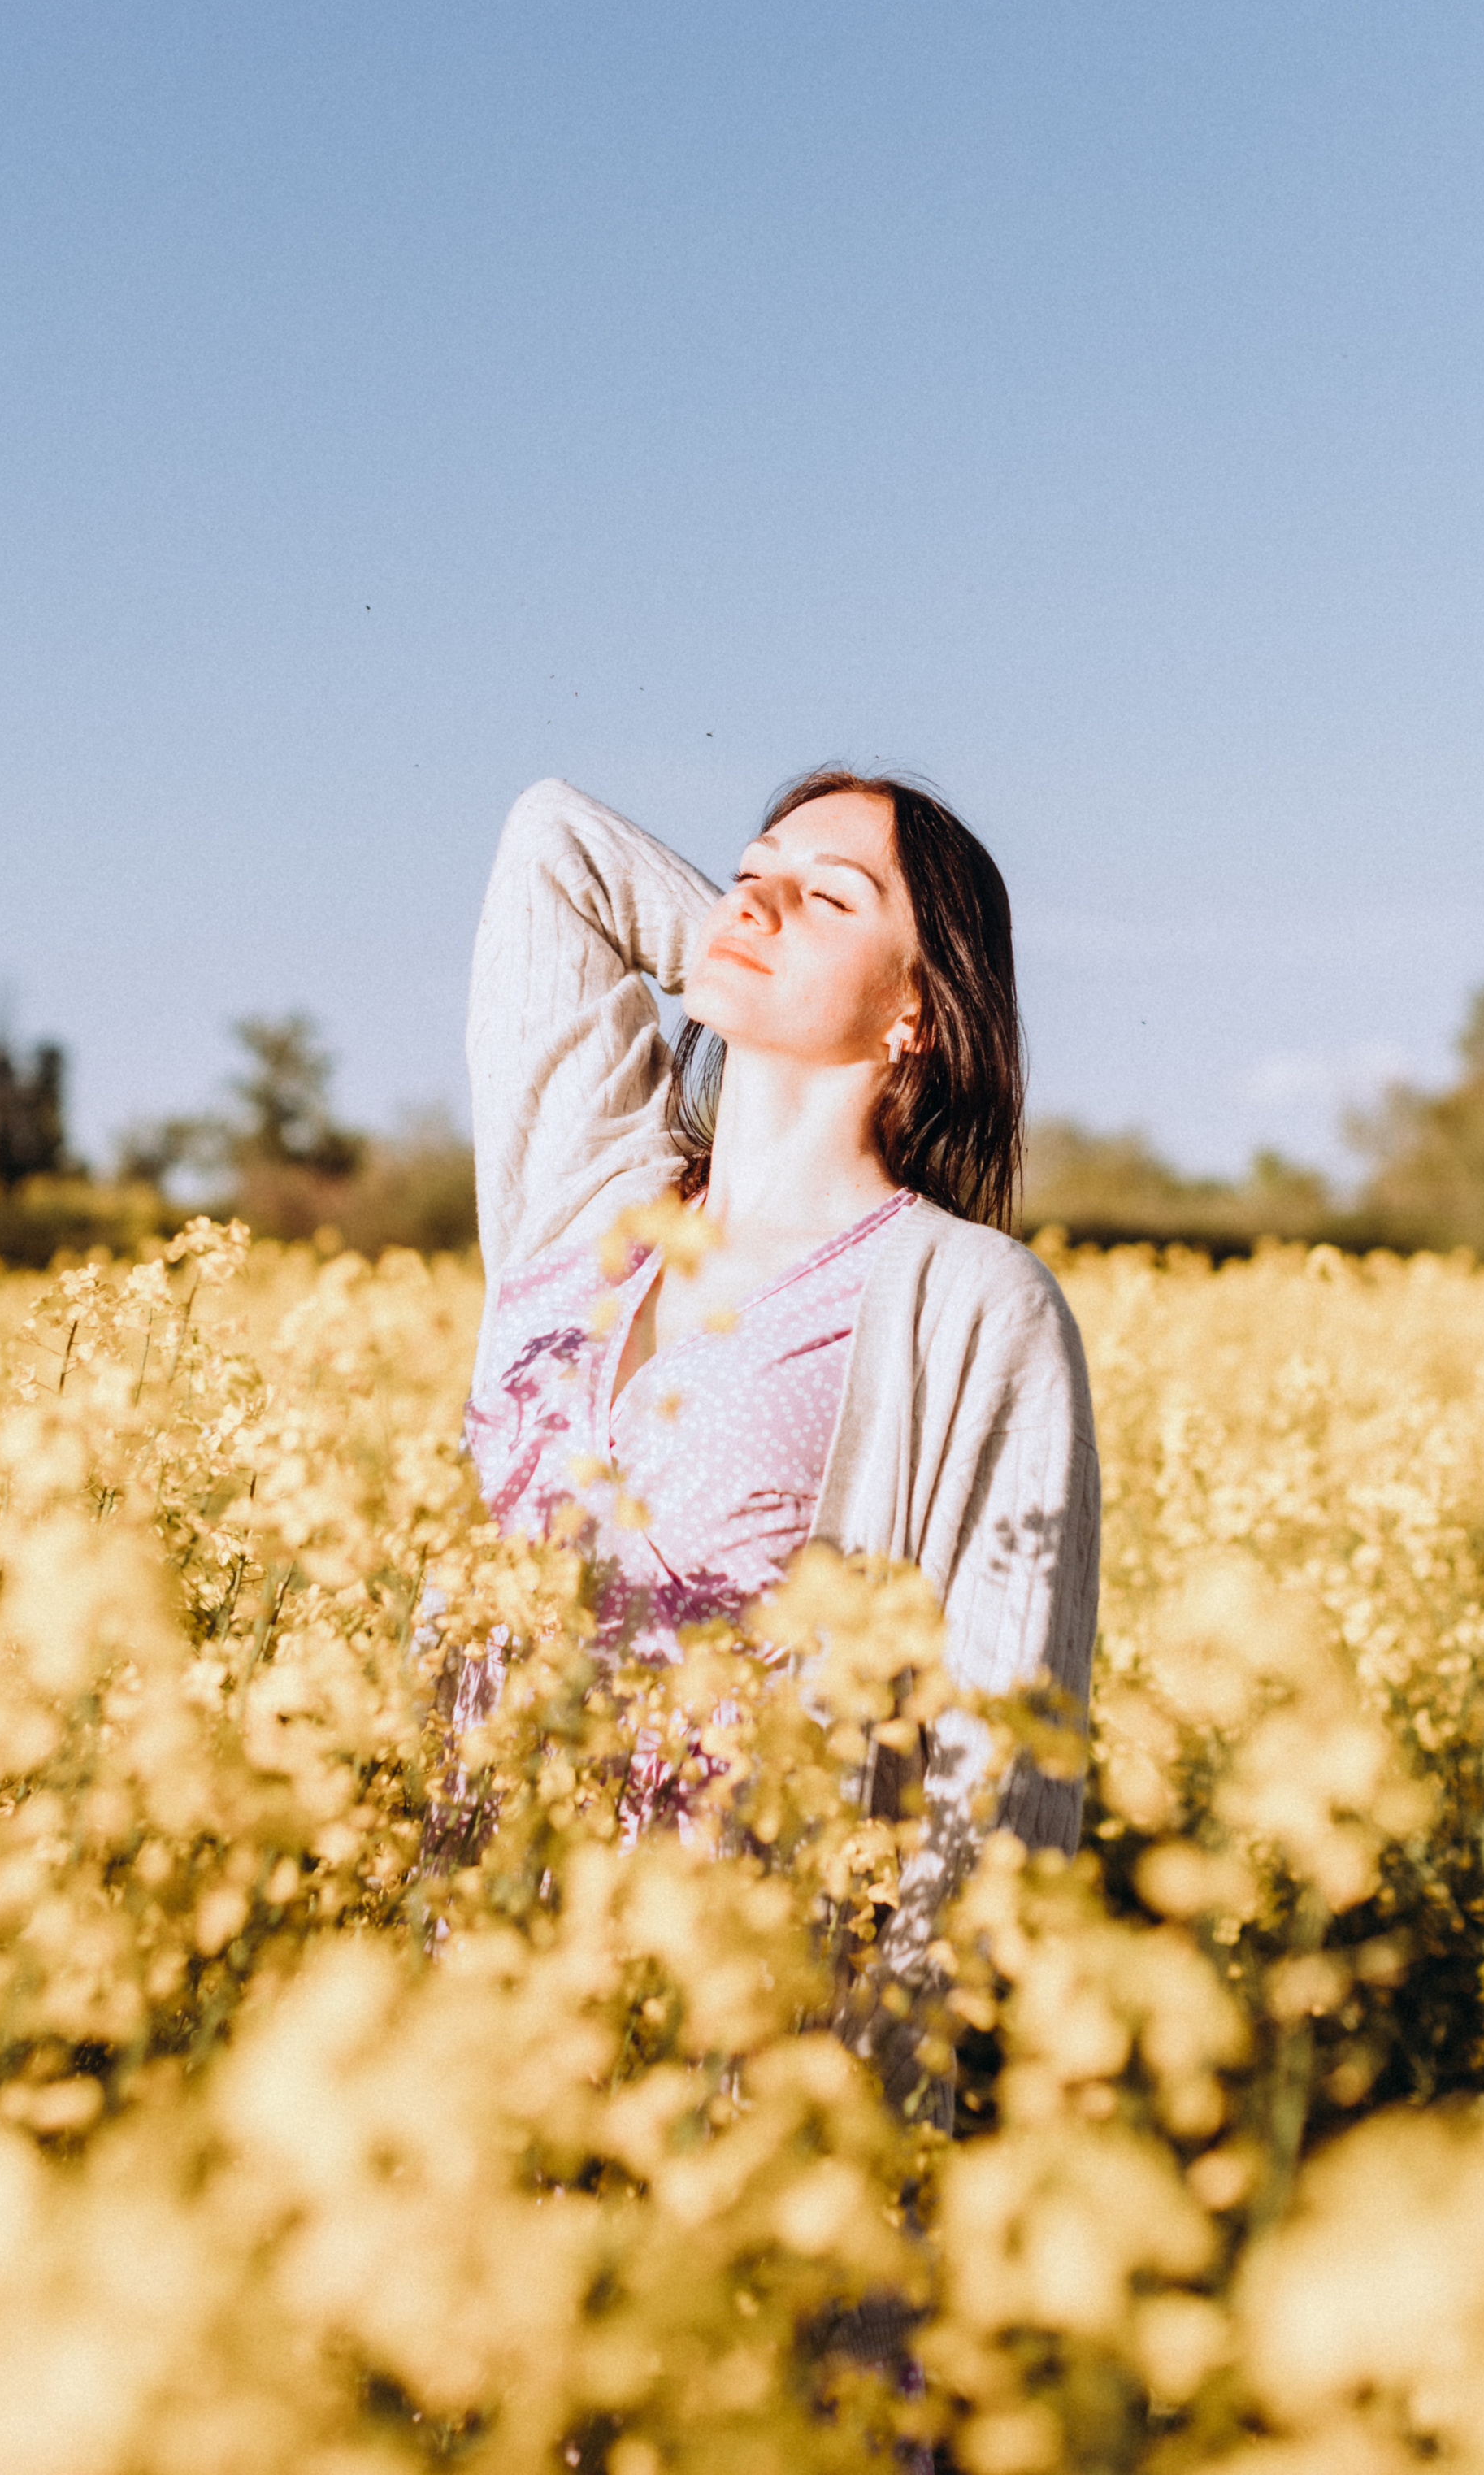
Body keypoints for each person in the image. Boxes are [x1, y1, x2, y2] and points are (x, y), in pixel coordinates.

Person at [461, 768, 1100, 2095]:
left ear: (921, 1005)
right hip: (471, 2009)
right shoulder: (589, 1201)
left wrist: (880, 2140)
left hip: (740, 2065)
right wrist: (777, 942)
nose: (756, 897)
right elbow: (552, 849)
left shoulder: (969, 1304)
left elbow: (996, 1772)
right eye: (750, 873)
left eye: (828, 894)